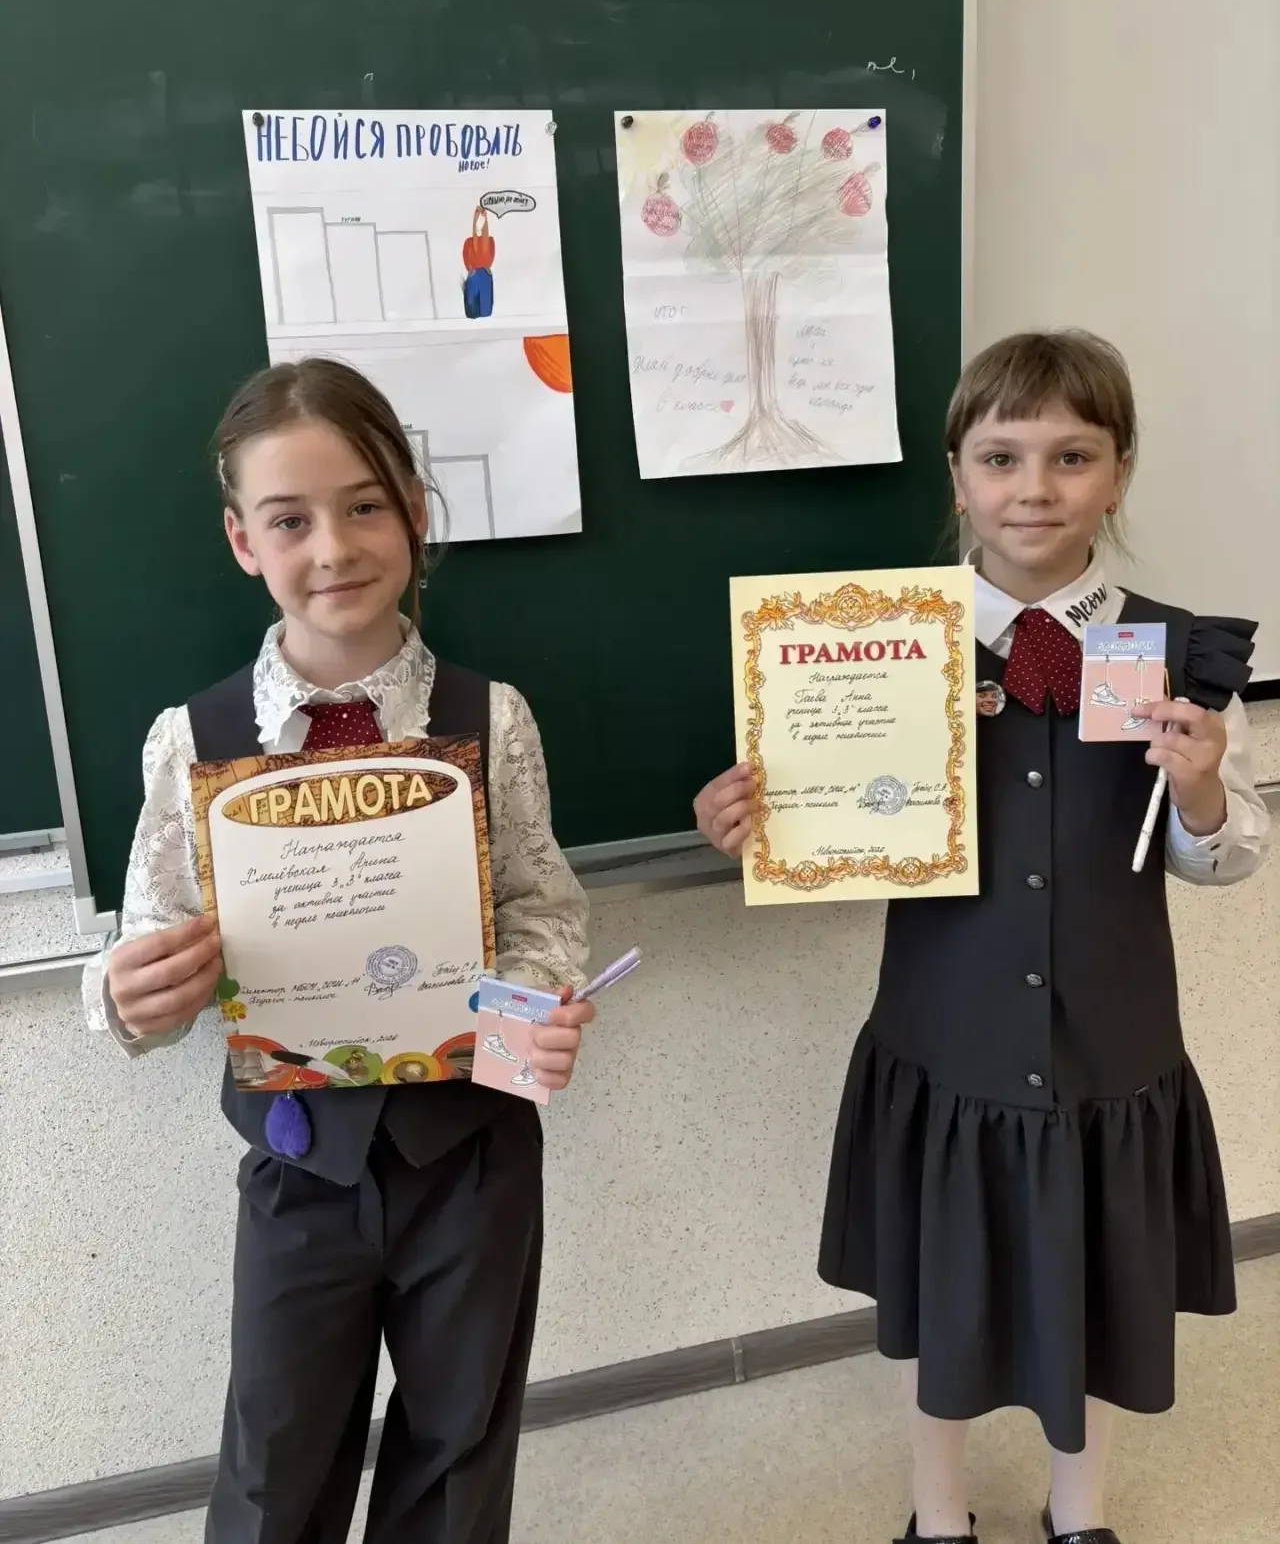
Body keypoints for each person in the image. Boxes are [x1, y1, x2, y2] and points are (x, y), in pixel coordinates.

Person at [694, 331, 1270, 1544]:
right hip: (944, 1044)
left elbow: (1219, 858)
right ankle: (936, 1513)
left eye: (1071, 456)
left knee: (1095, 1295)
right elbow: (833, 830)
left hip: (1109, 1053)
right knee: (938, 1295)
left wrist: (1201, 790)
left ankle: (1078, 1510)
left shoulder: (1173, 655)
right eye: (1000, 457)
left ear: (1117, 474)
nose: (1033, 487)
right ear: (955, 476)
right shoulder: (870, 643)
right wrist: (756, 823)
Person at [81, 357, 593, 1544]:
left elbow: (542, 907)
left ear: (412, 508)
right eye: (289, 520)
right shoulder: (195, 740)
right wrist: (128, 995)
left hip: (471, 1154)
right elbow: (147, 940)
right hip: (299, 1165)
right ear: (241, 542)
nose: (334, 547)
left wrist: (534, 1006)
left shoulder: (489, 716)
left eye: (364, 505)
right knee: (277, 1457)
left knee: (458, 1448)